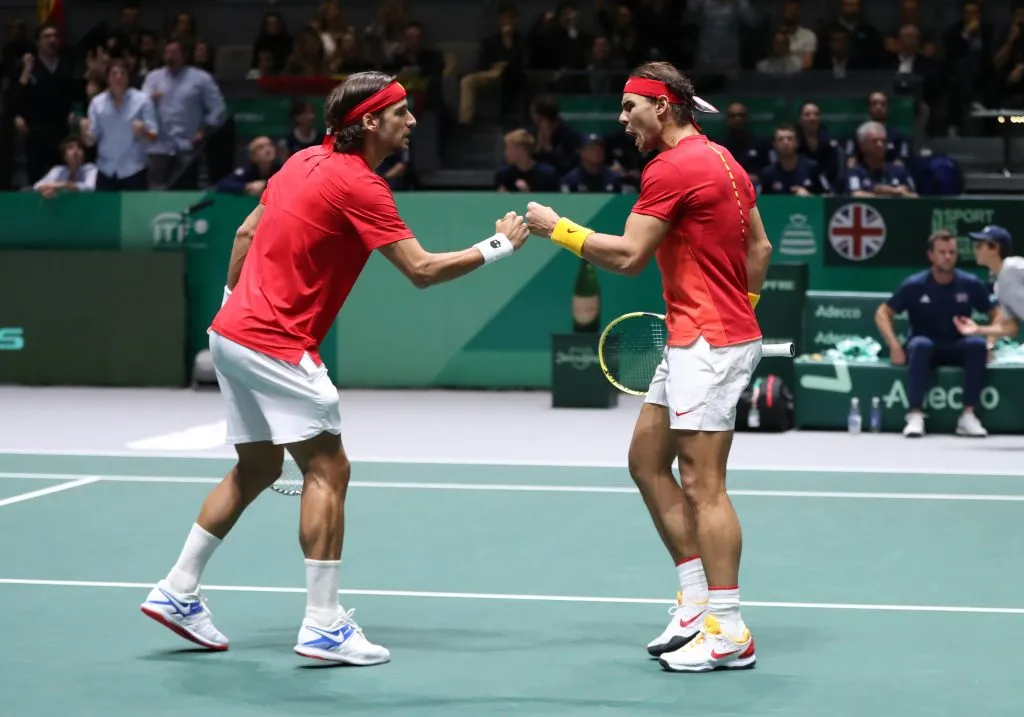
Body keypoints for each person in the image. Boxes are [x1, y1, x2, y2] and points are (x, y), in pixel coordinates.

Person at [139, 71, 530, 665]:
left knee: (257, 466)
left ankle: (177, 589)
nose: (412, 121)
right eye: (401, 112)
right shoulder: (362, 185)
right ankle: (323, 624)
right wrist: (498, 246)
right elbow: (421, 271)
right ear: (370, 121)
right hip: (277, 343)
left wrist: (231, 307)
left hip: (230, 334)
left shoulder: (300, 161)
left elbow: (245, 233)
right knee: (328, 470)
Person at [525, 61, 772, 674]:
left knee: (704, 485)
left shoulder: (671, 166)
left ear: (661, 106)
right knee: (645, 461)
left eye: (628, 106)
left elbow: (630, 256)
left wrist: (557, 229)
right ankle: (696, 601)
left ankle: (729, 630)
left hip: (707, 342)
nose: (622, 119)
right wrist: (743, 309)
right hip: (704, 333)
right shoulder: (725, 161)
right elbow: (760, 247)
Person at [875, 230, 994, 438]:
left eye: (952, 252)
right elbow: (882, 313)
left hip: (957, 344)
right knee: (920, 345)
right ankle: (915, 415)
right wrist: (894, 346)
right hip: (925, 345)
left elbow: (998, 313)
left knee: (977, 345)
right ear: (931, 255)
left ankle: (968, 416)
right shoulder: (914, 284)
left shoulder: (970, 283)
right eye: (942, 252)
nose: (947, 257)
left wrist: (991, 343)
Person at [955, 225, 1024, 343]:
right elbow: (1012, 328)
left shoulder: (1013, 266)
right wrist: (978, 329)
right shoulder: (998, 287)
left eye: (980, 245)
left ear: (995, 248)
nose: (975, 249)